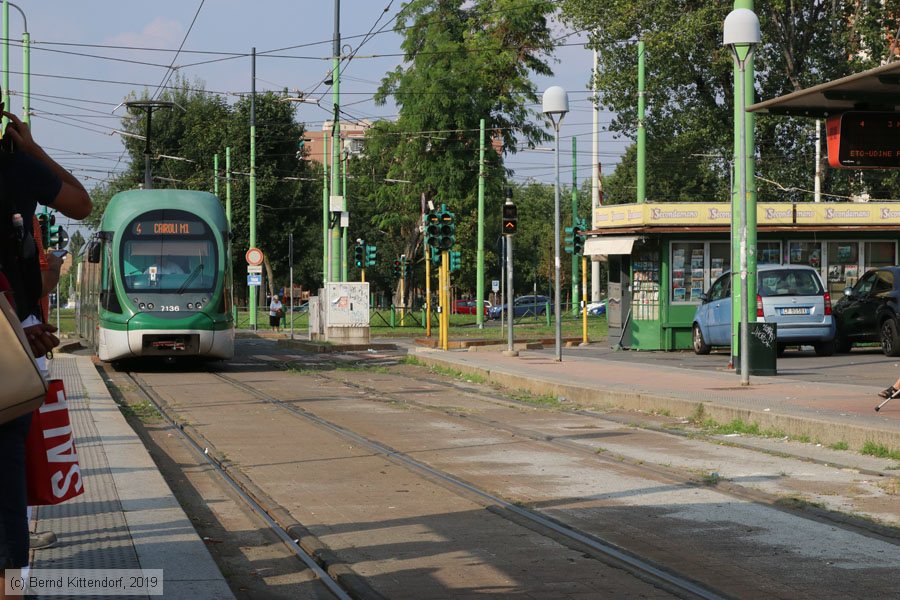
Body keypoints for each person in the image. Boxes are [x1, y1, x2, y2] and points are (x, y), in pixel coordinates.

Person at [0, 106, 91, 599]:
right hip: (11, 348)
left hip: (15, 334)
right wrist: (34, 150)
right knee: (8, 474)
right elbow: (81, 203)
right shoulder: (17, 166)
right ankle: (12, 586)